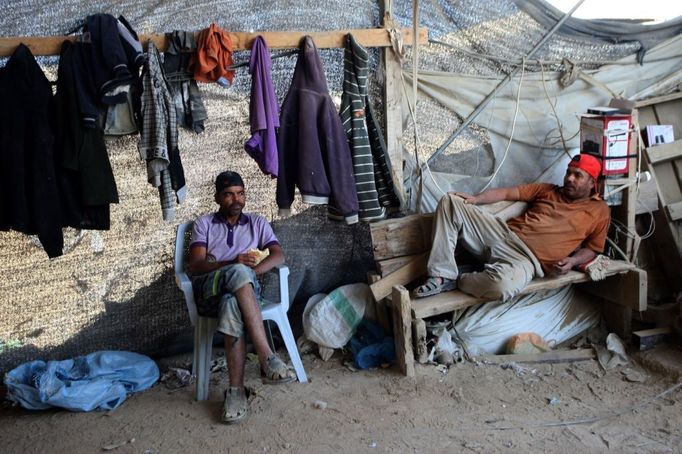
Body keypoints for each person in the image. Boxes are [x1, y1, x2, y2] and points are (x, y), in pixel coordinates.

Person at [415, 153, 610, 301]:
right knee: (451, 201)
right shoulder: (548, 190)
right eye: (568, 172)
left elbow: (593, 248)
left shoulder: (599, 211)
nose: (569, 178)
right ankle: (441, 274)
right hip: (501, 234)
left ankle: (457, 279)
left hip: (526, 260)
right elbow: (508, 193)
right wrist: (477, 199)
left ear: (592, 182)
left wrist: (573, 261)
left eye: (578, 175)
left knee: (501, 287)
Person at [188, 171, 296, 424]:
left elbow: (278, 256)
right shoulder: (204, 224)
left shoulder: (257, 223)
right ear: (217, 198)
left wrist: (251, 272)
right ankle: (267, 357)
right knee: (235, 276)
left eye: (240, 193)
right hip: (209, 292)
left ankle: (236, 392)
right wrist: (234, 264)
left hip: (241, 293)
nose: (235, 199)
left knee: (231, 304)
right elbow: (196, 265)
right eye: (228, 194)